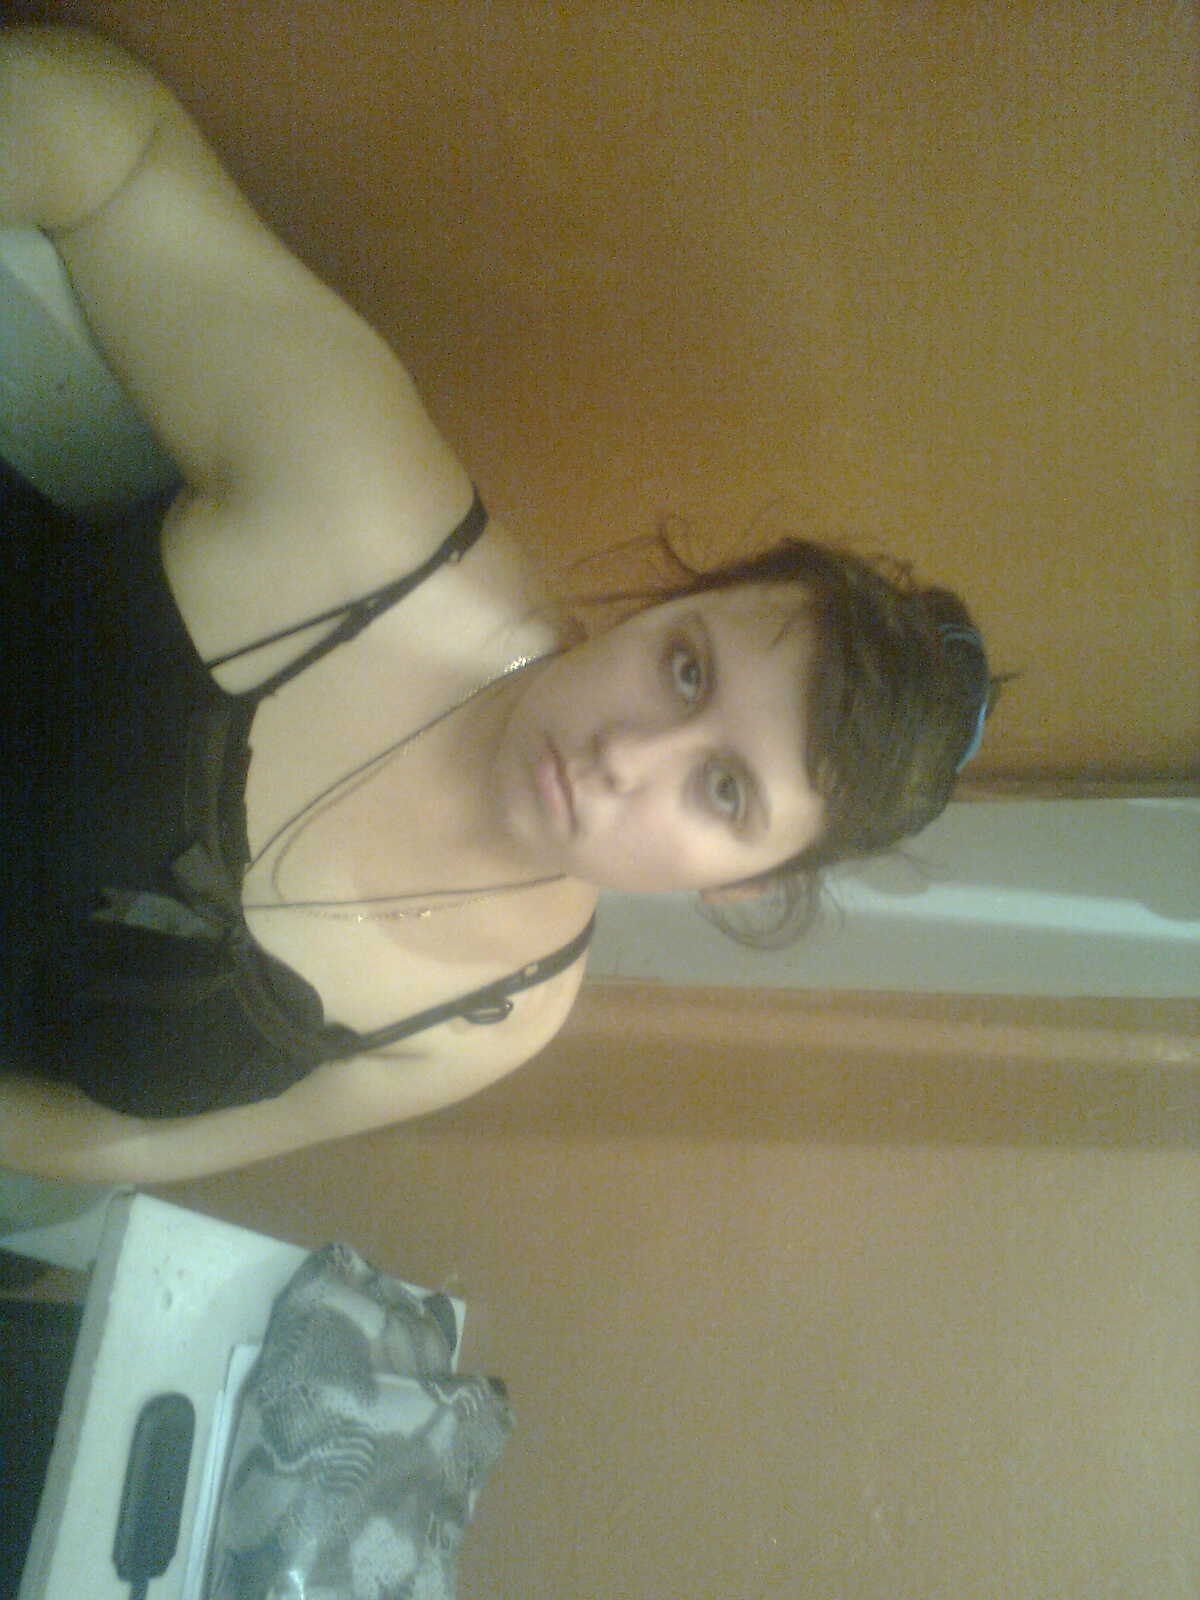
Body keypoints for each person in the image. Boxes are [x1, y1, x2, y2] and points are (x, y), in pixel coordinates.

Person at [0, 27, 994, 1185]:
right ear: (661, 606)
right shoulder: (367, 525)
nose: (630, 755)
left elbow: (138, 1143)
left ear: (747, 879)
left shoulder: (504, 1014)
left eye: (725, 790)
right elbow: (115, 151)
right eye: (686, 669)